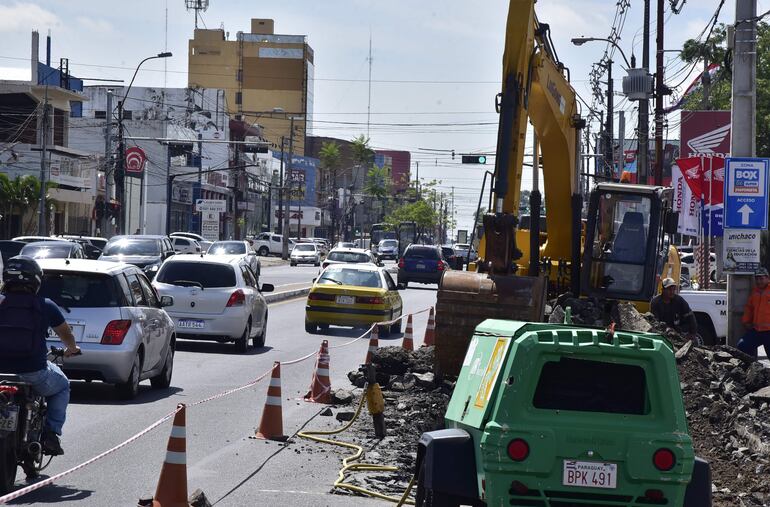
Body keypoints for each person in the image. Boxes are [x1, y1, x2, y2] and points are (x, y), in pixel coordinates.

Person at [0, 255, 81, 455]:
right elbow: (65, 333)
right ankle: (51, 434)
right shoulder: (45, 305)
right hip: (33, 372)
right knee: (62, 385)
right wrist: (71, 349)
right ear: (35, 280)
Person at [737, 267, 770, 359]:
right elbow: (749, 308)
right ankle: (753, 368)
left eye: (762, 278)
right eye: (757, 279)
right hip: (757, 331)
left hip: (769, 332)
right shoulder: (755, 292)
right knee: (742, 345)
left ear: (768, 278)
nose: (759, 281)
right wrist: (746, 322)